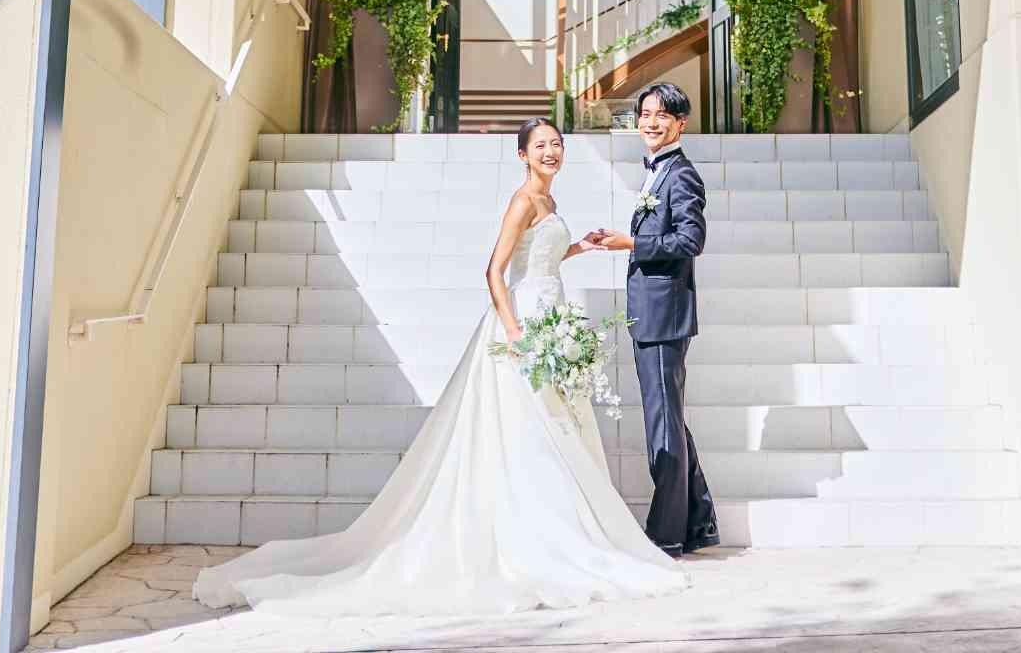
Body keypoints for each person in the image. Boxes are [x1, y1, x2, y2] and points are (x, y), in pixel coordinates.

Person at [193, 119, 685, 618]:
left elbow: (541, 262)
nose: (551, 151)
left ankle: (564, 530)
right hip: (525, 325)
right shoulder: (522, 201)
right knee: (528, 427)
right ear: (522, 154)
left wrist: (581, 246)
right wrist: (514, 331)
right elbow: (495, 271)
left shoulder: (549, 200)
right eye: (541, 146)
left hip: (551, 316)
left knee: (558, 424)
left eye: (556, 144)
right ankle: (536, 536)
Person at [583, 81, 719, 558]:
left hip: (664, 316)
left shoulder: (681, 175)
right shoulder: (658, 171)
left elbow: (690, 241)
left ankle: (666, 534)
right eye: (645, 114)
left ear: (681, 123)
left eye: (662, 115)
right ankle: (699, 523)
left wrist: (631, 244)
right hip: (653, 313)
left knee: (663, 426)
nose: (651, 122)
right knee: (670, 421)